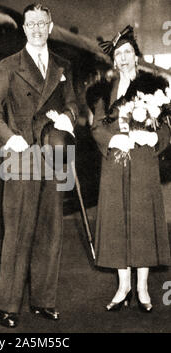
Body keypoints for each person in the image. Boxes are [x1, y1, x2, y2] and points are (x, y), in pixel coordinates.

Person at [0, 3, 78, 328]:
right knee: (18, 233)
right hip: (22, 157)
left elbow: (73, 105)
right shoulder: (8, 66)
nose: (37, 29)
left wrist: (67, 118)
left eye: (42, 23)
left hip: (53, 157)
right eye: (31, 24)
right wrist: (9, 137)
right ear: (24, 29)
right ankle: (8, 306)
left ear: (50, 27)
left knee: (50, 232)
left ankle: (43, 301)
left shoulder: (63, 66)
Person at [91, 25, 171, 313]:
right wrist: (113, 138)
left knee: (141, 222)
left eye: (128, 52)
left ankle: (142, 288)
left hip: (143, 165)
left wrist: (154, 138)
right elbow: (97, 126)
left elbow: (166, 129)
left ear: (136, 57)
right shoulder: (102, 91)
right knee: (116, 223)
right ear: (114, 62)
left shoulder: (155, 88)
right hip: (114, 163)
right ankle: (123, 286)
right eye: (118, 55)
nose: (123, 58)